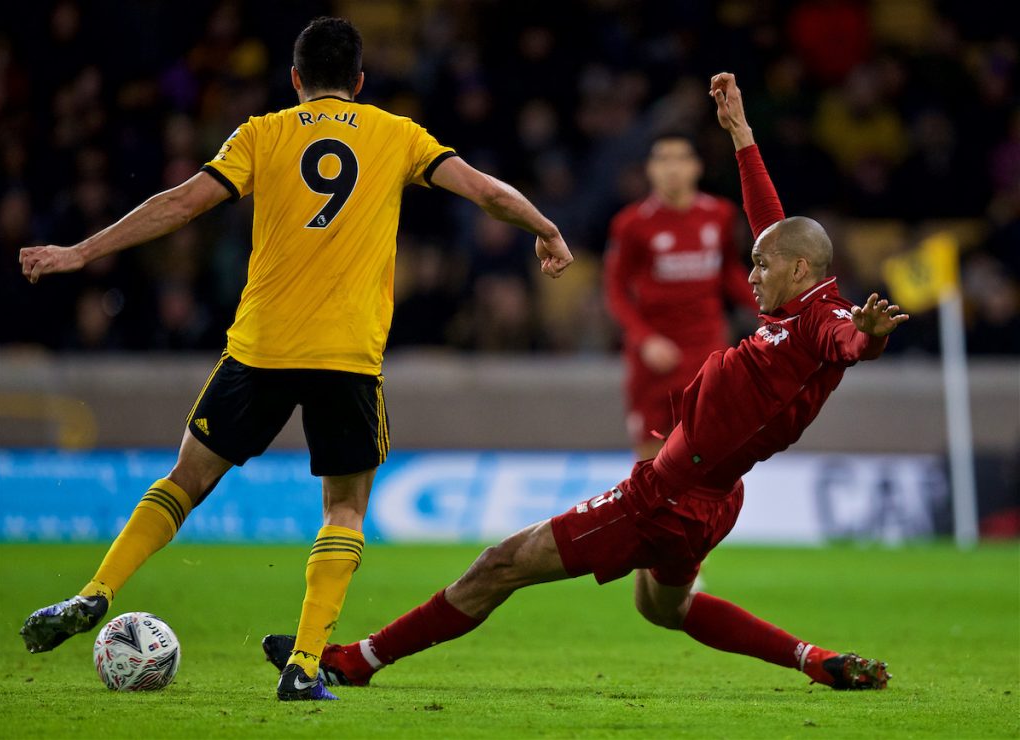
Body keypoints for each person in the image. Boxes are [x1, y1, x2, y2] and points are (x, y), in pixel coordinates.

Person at [262, 71, 907, 693]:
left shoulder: (826, 319)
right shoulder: (795, 300)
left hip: (665, 498)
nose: (750, 274)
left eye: (760, 265)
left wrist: (870, 334)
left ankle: (356, 660)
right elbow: (771, 223)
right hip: (713, 498)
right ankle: (813, 660)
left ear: (798, 269)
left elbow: (849, 343)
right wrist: (740, 132)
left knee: (500, 564)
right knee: (664, 609)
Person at [17, 17, 573, 702]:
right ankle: (305, 665)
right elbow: (487, 192)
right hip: (346, 355)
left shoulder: (262, 132)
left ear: (295, 80)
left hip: (261, 346)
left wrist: (79, 253)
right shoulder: (399, 134)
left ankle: (97, 590)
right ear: (361, 81)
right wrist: (545, 228)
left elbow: (183, 203)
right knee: (343, 507)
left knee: (185, 480)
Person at [604, 133, 757, 459]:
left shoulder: (720, 215)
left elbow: (729, 270)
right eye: (662, 159)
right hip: (655, 354)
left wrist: (766, 307)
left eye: (680, 158)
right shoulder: (631, 224)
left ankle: (698, 510)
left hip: (706, 347)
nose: (672, 168)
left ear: (696, 167)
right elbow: (615, 290)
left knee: (707, 449)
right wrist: (645, 340)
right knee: (650, 456)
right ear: (650, 169)